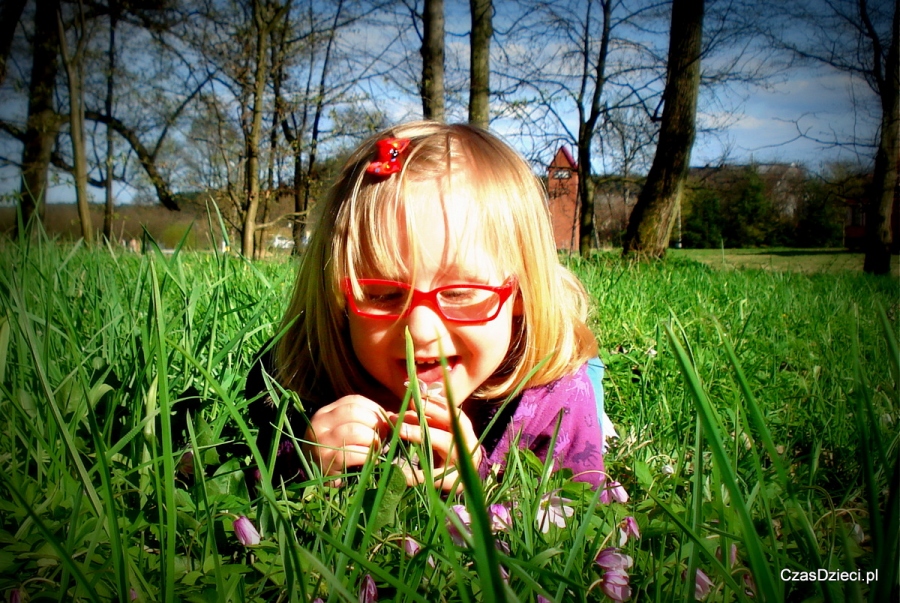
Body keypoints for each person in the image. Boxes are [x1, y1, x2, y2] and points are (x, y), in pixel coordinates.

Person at [245, 121, 613, 493]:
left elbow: (577, 509)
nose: (420, 330)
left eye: (459, 293)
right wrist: (301, 462)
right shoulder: (296, 372)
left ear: (520, 293)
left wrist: (480, 482)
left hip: (541, 369)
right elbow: (247, 473)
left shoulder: (557, 396)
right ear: (335, 299)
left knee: (586, 376)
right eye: (382, 293)